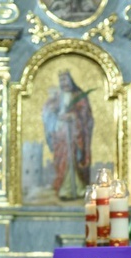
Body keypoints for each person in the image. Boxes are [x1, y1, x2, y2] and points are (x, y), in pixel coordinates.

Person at [43, 69, 94, 201]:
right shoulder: (58, 96)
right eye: (61, 80)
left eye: (65, 80)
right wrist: (51, 110)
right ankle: (64, 189)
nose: (63, 83)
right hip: (60, 134)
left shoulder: (79, 96)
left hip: (74, 134)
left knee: (74, 159)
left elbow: (86, 115)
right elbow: (48, 111)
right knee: (61, 159)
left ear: (71, 80)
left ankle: (78, 188)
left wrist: (73, 116)